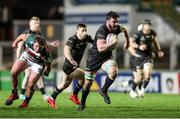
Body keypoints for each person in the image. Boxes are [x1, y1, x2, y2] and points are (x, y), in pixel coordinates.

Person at [78, 11, 130, 111]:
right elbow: (101, 48)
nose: (116, 24)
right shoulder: (102, 30)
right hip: (94, 58)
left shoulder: (117, 27)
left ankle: (103, 90)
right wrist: (113, 43)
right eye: (113, 21)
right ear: (107, 21)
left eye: (117, 21)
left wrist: (127, 42)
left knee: (114, 71)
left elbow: (124, 29)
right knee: (88, 83)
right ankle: (82, 103)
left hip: (106, 58)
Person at [13, 16, 60, 101]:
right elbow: (20, 44)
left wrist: (52, 43)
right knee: (29, 76)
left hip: (35, 59)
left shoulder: (38, 33)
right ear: (30, 23)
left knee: (32, 77)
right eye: (35, 23)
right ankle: (36, 94)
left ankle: (23, 95)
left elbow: (43, 42)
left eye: (38, 23)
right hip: (28, 58)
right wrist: (17, 57)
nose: (37, 25)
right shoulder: (27, 33)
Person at [48, 23, 94, 108]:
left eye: (85, 30)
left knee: (65, 84)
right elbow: (66, 49)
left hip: (74, 66)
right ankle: (74, 95)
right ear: (77, 30)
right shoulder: (72, 39)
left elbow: (96, 43)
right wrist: (71, 59)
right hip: (69, 66)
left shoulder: (87, 38)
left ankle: (51, 98)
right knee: (84, 77)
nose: (84, 32)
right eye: (82, 30)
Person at [5, 34, 53, 108]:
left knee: (30, 84)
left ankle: (26, 102)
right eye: (36, 46)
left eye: (40, 47)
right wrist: (15, 42)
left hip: (38, 63)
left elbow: (49, 64)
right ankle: (14, 94)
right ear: (33, 43)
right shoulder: (30, 38)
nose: (37, 49)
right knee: (13, 72)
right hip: (27, 57)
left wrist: (48, 71)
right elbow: (22, 36)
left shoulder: (46, 53)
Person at [126, 19, 164, 98]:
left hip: (148, 57)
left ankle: (142, 90)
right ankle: (132, 90)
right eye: (146, 25)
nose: (148, 27)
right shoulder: (138, 34)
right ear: (143, 26)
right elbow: (131, 43)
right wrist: (139, 46)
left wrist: (159, 50)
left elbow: (155, 41)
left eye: (149, 25)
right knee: (139, 78)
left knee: (148, 72)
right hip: (139, 58)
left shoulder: (152, 33)